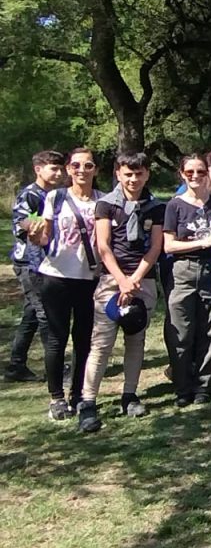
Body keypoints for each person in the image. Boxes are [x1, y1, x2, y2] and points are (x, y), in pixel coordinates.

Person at [78, 152, 165, 433]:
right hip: (111, 279)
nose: (133, 179)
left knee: (135, 339)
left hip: (143, 280)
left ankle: (130, 394)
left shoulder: (155, 207)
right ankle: (88, 401)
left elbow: (155, 247)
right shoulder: (106, 205)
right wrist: (121, 280)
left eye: (139, 173)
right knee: (101, 343)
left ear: (147, 174)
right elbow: (103, 246)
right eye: (128, 173)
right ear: (118, 174)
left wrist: (136, 279)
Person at [28, 149, 103, 420]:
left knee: (84, 339)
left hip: (89, 278)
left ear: (96, 169)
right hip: (56, 276)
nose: (81, 170)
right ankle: (56, 398)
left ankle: (79, 394)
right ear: (69, 170)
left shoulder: (103, 201)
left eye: (88, 165)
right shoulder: (54, 197)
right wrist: (34, 235)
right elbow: (43, 234)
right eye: (76, 165)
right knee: (57, 339)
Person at [163, 153, 211, 406]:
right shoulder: (175, 205)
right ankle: (182, 387)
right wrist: (201, 242)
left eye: (201, 172)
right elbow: (168, 246)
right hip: (183, 271)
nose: (196, 176)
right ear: (182, 174)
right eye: (190, 172)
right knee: (180, 331)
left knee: (209, 331)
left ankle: (202, 386)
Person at [6, 150, 65, 382]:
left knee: (31, 314)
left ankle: (15, 366)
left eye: (61, 168)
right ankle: (57, 367)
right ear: (38, 169)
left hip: (47, 261)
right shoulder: (31, 195)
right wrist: (42, 225)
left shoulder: (58, 194)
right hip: (29, 263)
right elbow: (21, 223)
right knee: (45, 314)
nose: (59, 173)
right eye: (53, 168)